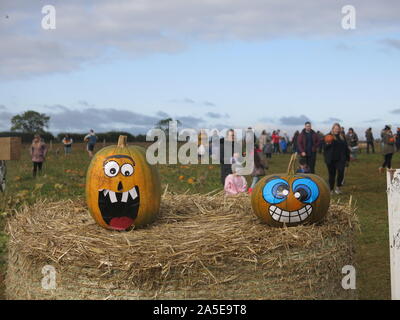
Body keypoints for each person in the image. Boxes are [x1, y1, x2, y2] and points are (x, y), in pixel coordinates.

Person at [323, 123, 350, 195]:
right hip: (331, 159)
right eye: (335, 128)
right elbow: (324, 148)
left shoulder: (342, 137)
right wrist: (328, 143)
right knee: (332, 174)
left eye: (338, 128)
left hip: (341, 159)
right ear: (333, 129)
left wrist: (348, 158)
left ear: (339, 129)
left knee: (341, 173)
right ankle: (331, 190)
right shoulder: (328, 136)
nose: (337, 130)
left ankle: (338, 188)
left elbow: (346, 148)